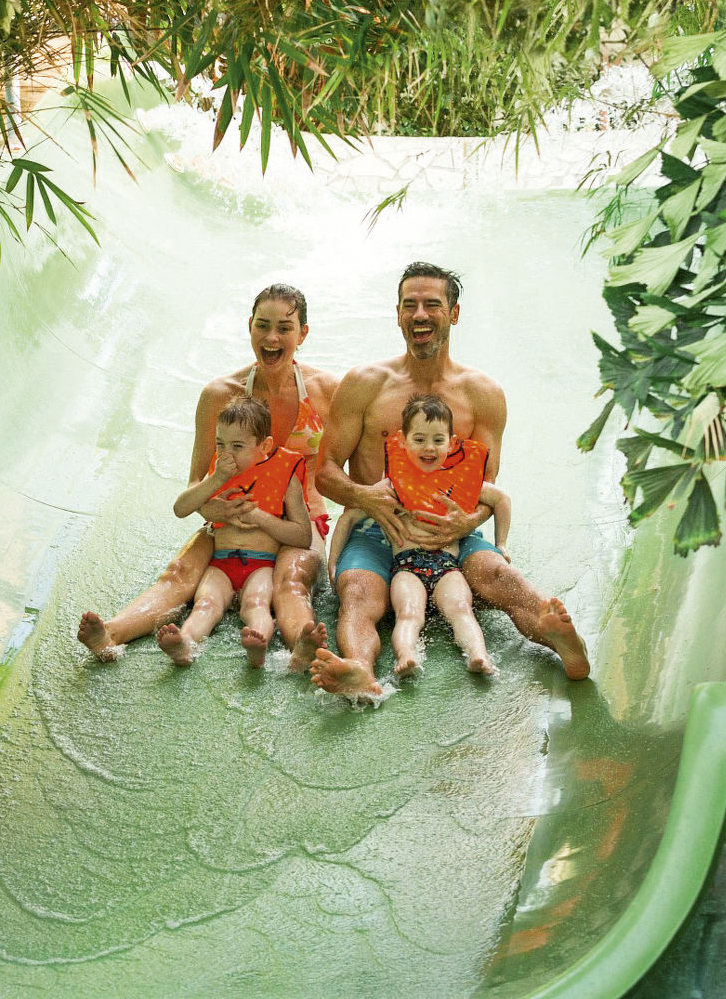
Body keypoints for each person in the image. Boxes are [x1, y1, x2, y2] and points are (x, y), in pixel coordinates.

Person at [307, 261, 590, 701]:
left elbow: (486, 484)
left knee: (499, 577)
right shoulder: (364, 384)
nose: (420, 314)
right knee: (359, 594)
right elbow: (323, 471)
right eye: (410, 305)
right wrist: (367, 497)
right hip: (375, 528)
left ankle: (560, 640)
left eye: (432, 305)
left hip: (450, 528)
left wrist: (465, 524)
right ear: (398, 314)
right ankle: (359, 669)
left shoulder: (482, 393)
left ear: (453, 314)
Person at [78, 284, 338, 666]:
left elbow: (335, 473)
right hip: (230, 517)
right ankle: (111, 634)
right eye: (262, 325)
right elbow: (196, 482)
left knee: (293, 579)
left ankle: (302, 640)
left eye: (284, 328)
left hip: (301, 520)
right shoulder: (220, 395)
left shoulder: (325, 392)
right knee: (178, 573)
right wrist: (215, 509)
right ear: (249, 326)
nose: (271, 337)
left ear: (303, 333)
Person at [342, 393, 511, 678]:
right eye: (419, 440)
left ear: (452, 442)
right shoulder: (393, 485)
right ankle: (406, 656)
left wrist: (501, 543)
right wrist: (334, 563)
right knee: (409, 613)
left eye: (437, 440)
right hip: (406, 567)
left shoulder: (460, 484)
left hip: (448, 567)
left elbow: (502, 500)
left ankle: (479, 656)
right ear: (403, 440)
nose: (428, 448)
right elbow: (350, 516)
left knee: (460, 609)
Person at [155, 397, 313, 667]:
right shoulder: (220, 473)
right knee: (206, 603)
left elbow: (303, 536)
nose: (227, 453)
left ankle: (258, 643)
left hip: (261, 565)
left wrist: (258, 516)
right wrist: (216, 479)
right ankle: (185, 642)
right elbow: (180, 509)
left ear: (263, 446)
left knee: (256, 604)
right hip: (221, 562)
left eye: (237, 446)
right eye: (220, 444)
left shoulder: (285, 477)